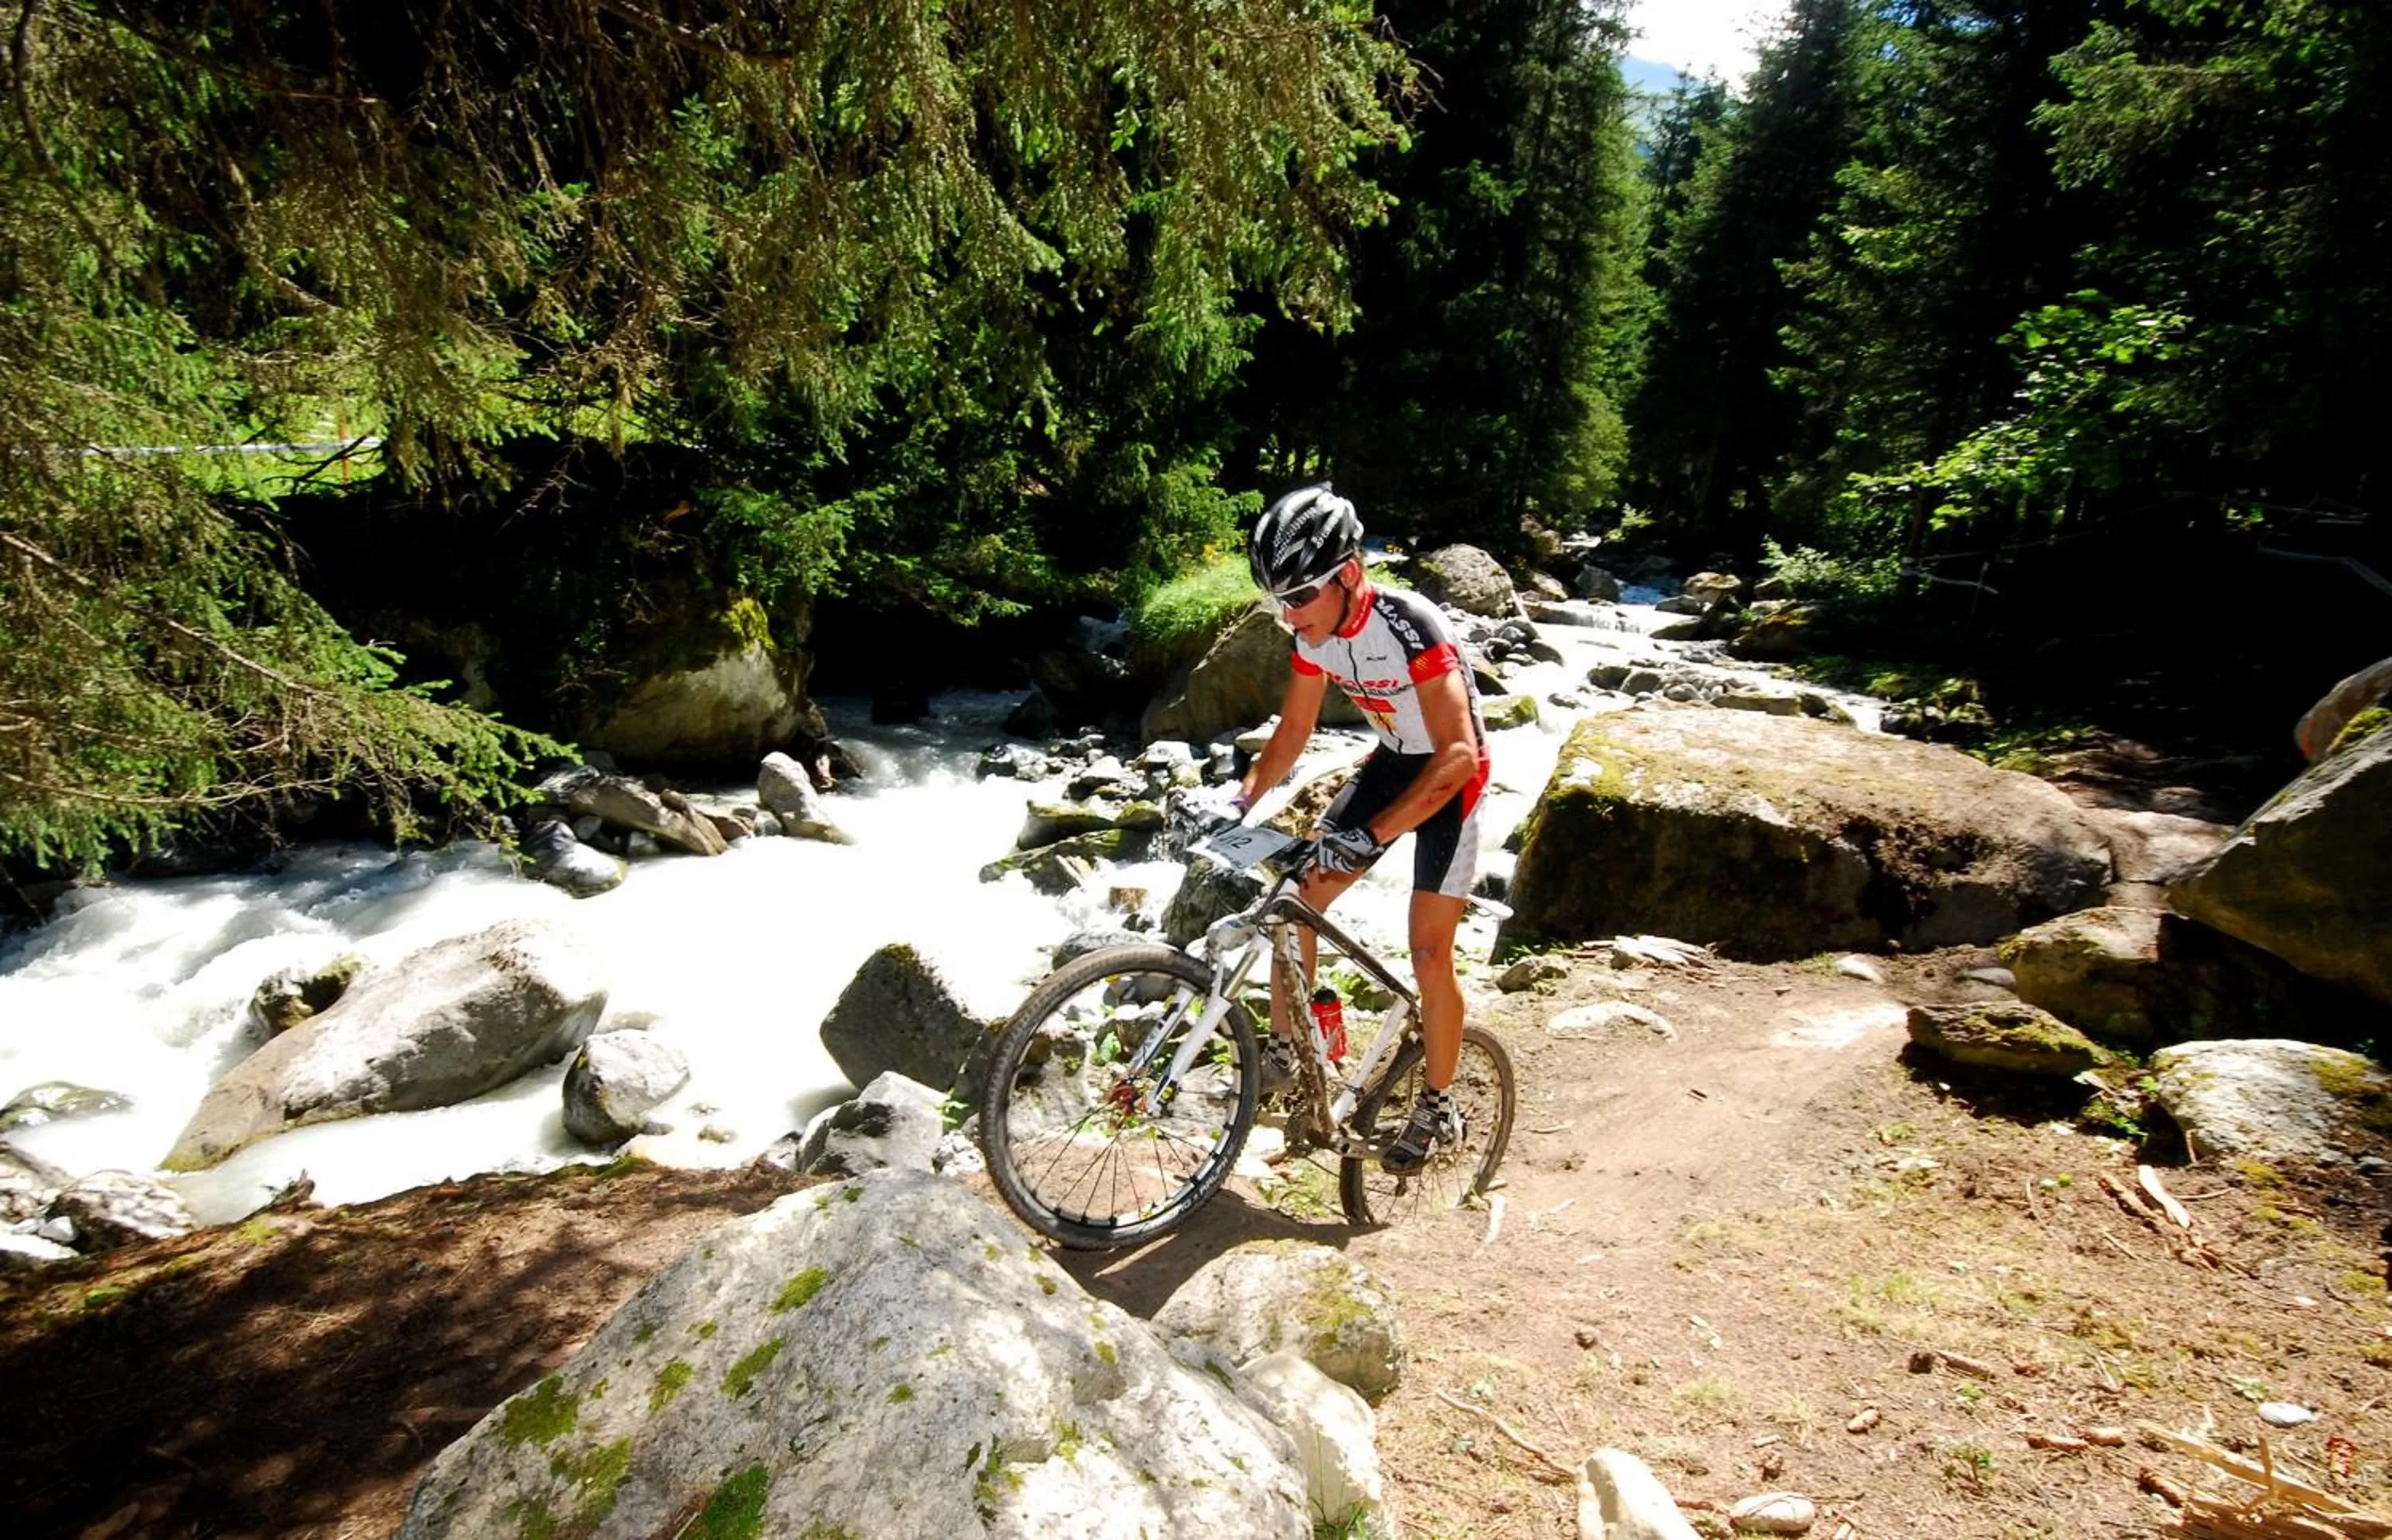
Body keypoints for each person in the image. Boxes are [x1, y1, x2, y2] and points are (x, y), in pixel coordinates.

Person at [1194, 482, 1489, 1175]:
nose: (1288, 616)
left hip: (1451, 781)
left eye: (1298, 598)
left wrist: (1372, 835)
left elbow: (1458, 755)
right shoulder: (1313, 633)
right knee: (1297, 899)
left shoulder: (1412, 624)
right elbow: (1294, 730)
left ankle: (1440, 1104)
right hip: (1392, 763)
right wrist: (1239, 802)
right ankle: (1288, 1051)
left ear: (1349, 576)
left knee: (1427, 954)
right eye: (1276, 601)